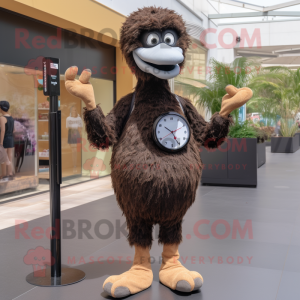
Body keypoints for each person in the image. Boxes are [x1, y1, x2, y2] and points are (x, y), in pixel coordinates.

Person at [0, 100, 15, 180]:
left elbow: (2, 131)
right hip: (11, 138)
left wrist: (1, 143)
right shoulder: (11, 117)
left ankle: (3, 174)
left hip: (5, 139)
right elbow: (13, 130)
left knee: (3, 159)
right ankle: (10, 174)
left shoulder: (2, 118)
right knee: (9, 158)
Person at [66, 105, 82, 174]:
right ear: (71, 111)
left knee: (76, 150)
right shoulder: (68, 119)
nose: (74, 111)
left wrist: (81, 136)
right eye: (73, 110)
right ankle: (73, 165)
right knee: (73, 150)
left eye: (75, 110)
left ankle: (75, 166)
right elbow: (67, 128)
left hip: (76, 133)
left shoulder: (79, 119)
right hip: (71, 133)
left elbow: (81, 128)